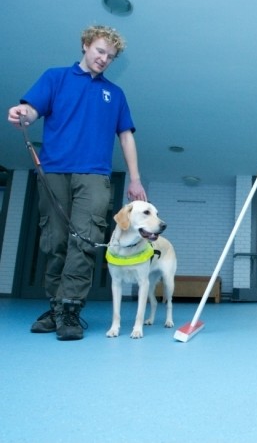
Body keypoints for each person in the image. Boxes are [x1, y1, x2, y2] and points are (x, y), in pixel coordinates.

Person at [7, 25, 147, 341]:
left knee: (84, 239)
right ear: (85, 45)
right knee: (55, 241)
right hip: (54, 172)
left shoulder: (116, 94)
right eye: (100, 51)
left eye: (110, 57)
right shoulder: (55, 78)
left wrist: (135, 179)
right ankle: (56, 307)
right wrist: (23, 114)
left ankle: (70, 309)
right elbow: (31, 111)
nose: (104, 59)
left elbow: (126, 136)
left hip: (94, 175)